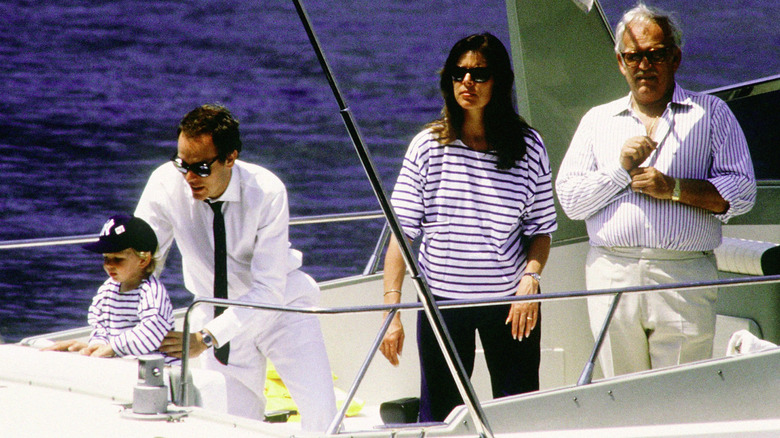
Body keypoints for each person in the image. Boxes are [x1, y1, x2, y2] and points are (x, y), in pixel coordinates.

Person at [555, 2, 756, 377]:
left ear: (675, 58)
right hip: (610, 273)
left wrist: (674, 188)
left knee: (681, 392)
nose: (644, 65)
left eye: (655, 55)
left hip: (683, 277)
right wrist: (620, 171)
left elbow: (742, 193)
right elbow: (570, 200)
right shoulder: (597, 120)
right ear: (620, 62)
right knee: (619, 392)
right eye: (633, 57)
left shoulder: (711, 114)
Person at [379, 33, 557, 422]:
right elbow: (403, 234)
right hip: (442, 304)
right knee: (440, 419)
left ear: (500, 81)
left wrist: (531, 280)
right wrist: (392, 312)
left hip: (512, 306)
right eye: (459, 74)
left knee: (519, 416)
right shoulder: (428, 146)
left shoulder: (529, 147)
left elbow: (541, 230)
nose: (467, 83)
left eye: (479, 73)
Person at [134, 104, 336, 430]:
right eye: (182, 164)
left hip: (282, 308)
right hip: (213, 314)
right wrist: (119, 329)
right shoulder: (164, 183)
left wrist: (207, 337)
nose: (188, 177)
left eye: (200, 167)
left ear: (230, 158)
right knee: (231, 429)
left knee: (323, 421)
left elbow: (268, 290)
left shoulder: (267, 192)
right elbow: (140, 263)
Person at [42, 215, 176, 364]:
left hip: (157, 368)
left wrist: (113, 347)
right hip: (123, 362)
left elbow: (151, 332)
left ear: (143, 260)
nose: (109, 265)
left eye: (118, 259)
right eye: (106, 258)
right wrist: (97, 345)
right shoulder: (108, 289)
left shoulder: (152, 292)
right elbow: (101, 326)